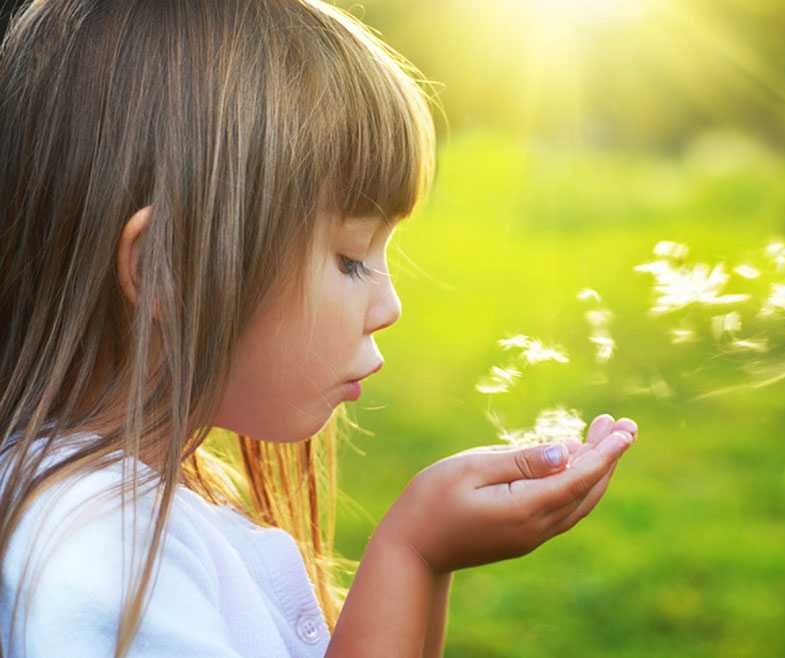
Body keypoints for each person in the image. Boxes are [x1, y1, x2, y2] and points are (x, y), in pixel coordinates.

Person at [0, 1, 639, 657]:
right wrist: (412, 554)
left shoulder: (122, 514)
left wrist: (429, 562)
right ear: (168, 266)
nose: (389, 304)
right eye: (351, 258)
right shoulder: (99, 557)